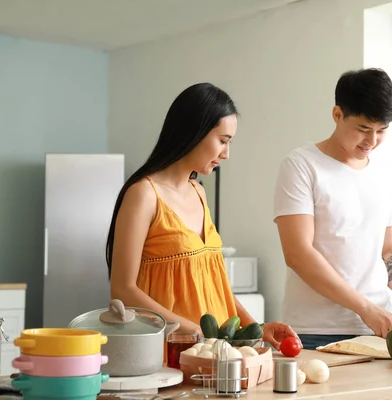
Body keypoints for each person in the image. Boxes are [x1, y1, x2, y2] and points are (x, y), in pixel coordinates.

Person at [106, 82, 299, 350]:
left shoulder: (199, 192)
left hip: (215, 355)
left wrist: (255, 327)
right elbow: (123, 291)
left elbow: (212, 281)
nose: (226, 153)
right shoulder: (144, 195)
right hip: (171, 352)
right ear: (192, 131)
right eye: (223, 141)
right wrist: (194, 332)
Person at [273, 68, 392, 350]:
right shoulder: (301, 165)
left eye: (381, 131)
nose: (372, 141)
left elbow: (388, 251)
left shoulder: (382, 175)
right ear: (337, 115)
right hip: (315, 331)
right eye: (363, 129)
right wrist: (366, 309)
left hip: (379, 330)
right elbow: (297, 254)